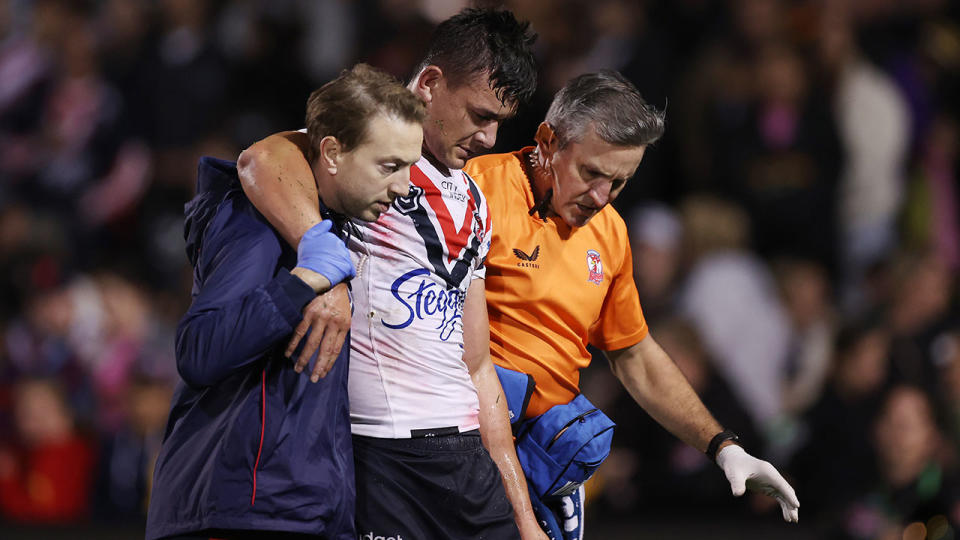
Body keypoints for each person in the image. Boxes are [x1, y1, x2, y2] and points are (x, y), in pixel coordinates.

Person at [237, 8, 546, 540]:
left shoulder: (472, 198)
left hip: (467, 457)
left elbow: (477, 366)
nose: (491, 138)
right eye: (479, 115)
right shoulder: (366, 147)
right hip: (380, 457)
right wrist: (325, 268)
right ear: (429, 83)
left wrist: (523, 518)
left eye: (500, 122)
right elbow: (259, 161)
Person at [462, 70, 799, 535]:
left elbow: (634, 354)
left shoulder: (611, 234)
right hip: (466, 449)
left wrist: (724, 447)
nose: (601, 197)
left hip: (549, 459)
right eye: (592, 173)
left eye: (619, 183)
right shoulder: (474, 191)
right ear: (547, 141)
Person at [145, 64, 426, 540]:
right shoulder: (253, 224)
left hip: (300, 511)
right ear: (332, 153)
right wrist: (304, 282)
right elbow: (199, 349)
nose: (402, 188)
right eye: (389, 166)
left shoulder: (336, 228)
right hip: (237, 511)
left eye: (409, 168)